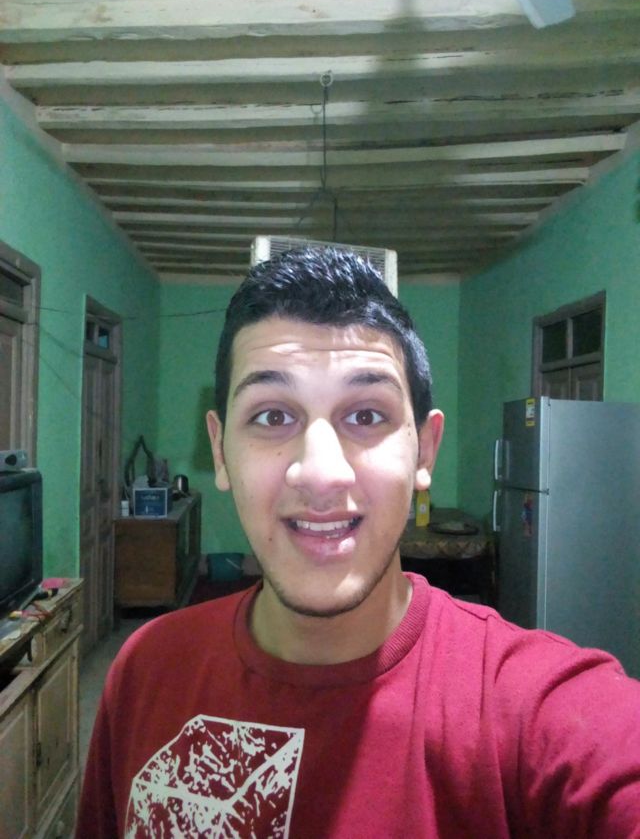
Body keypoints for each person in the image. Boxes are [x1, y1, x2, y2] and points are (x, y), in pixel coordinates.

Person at [77, 248, 640, 838]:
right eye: (272, 417)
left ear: (424, 450)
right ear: (220, 450)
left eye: (367, 415)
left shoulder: (529, 707)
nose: (321, 475)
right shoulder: (146, 670)